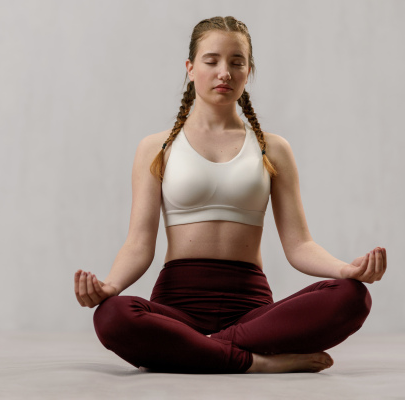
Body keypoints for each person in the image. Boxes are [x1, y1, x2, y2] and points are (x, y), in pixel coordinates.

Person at [73, 16, 386, 374]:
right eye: (211, 61)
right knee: (112, 315)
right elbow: (138, 244)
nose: (225, 72)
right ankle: (254, 362)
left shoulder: (274, 148)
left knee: (351, 297)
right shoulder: (156, 148)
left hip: (252, 310)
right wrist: (110, 285)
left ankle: (194, 352)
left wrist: (347, 269)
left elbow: (299, 245)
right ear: (190, 68)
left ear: (248, 71)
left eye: (237, 62)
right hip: (177, 306)